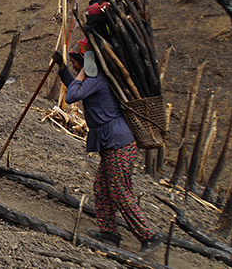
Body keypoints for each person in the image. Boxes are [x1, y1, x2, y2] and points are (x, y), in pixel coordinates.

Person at [54, 47, 162, 255]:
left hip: (119, 144)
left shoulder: (96, 80)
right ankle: (109, 234)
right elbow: (74, 86)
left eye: (76, 63)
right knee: (102, 188)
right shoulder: (92, 81)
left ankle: (149, 235)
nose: (75, 67)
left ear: (85, 64)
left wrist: (82, 73)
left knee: (119, 190)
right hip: (112, 144)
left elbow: (72, 96)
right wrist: (62, 67)